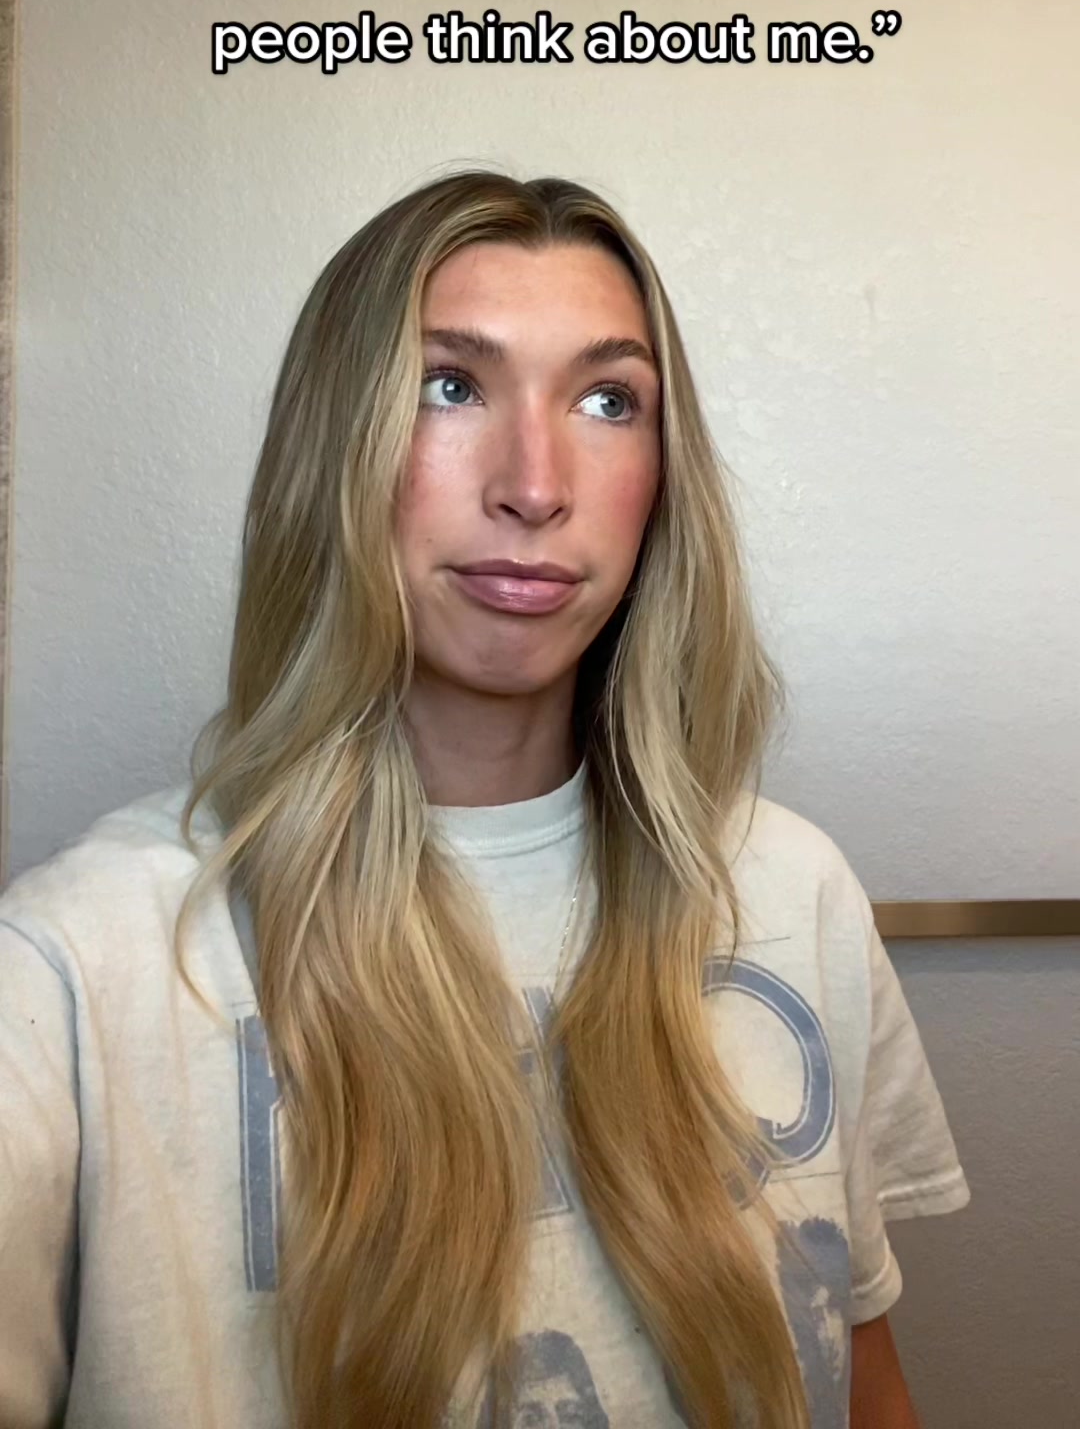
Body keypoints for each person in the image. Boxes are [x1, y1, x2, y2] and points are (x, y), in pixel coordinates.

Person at [0, 170, 970, 1429]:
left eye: (609, 401)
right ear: (335, 446)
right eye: (448, 385)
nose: (535, 483)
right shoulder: (74, 967)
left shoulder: (795, 890)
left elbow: (862, 1382)